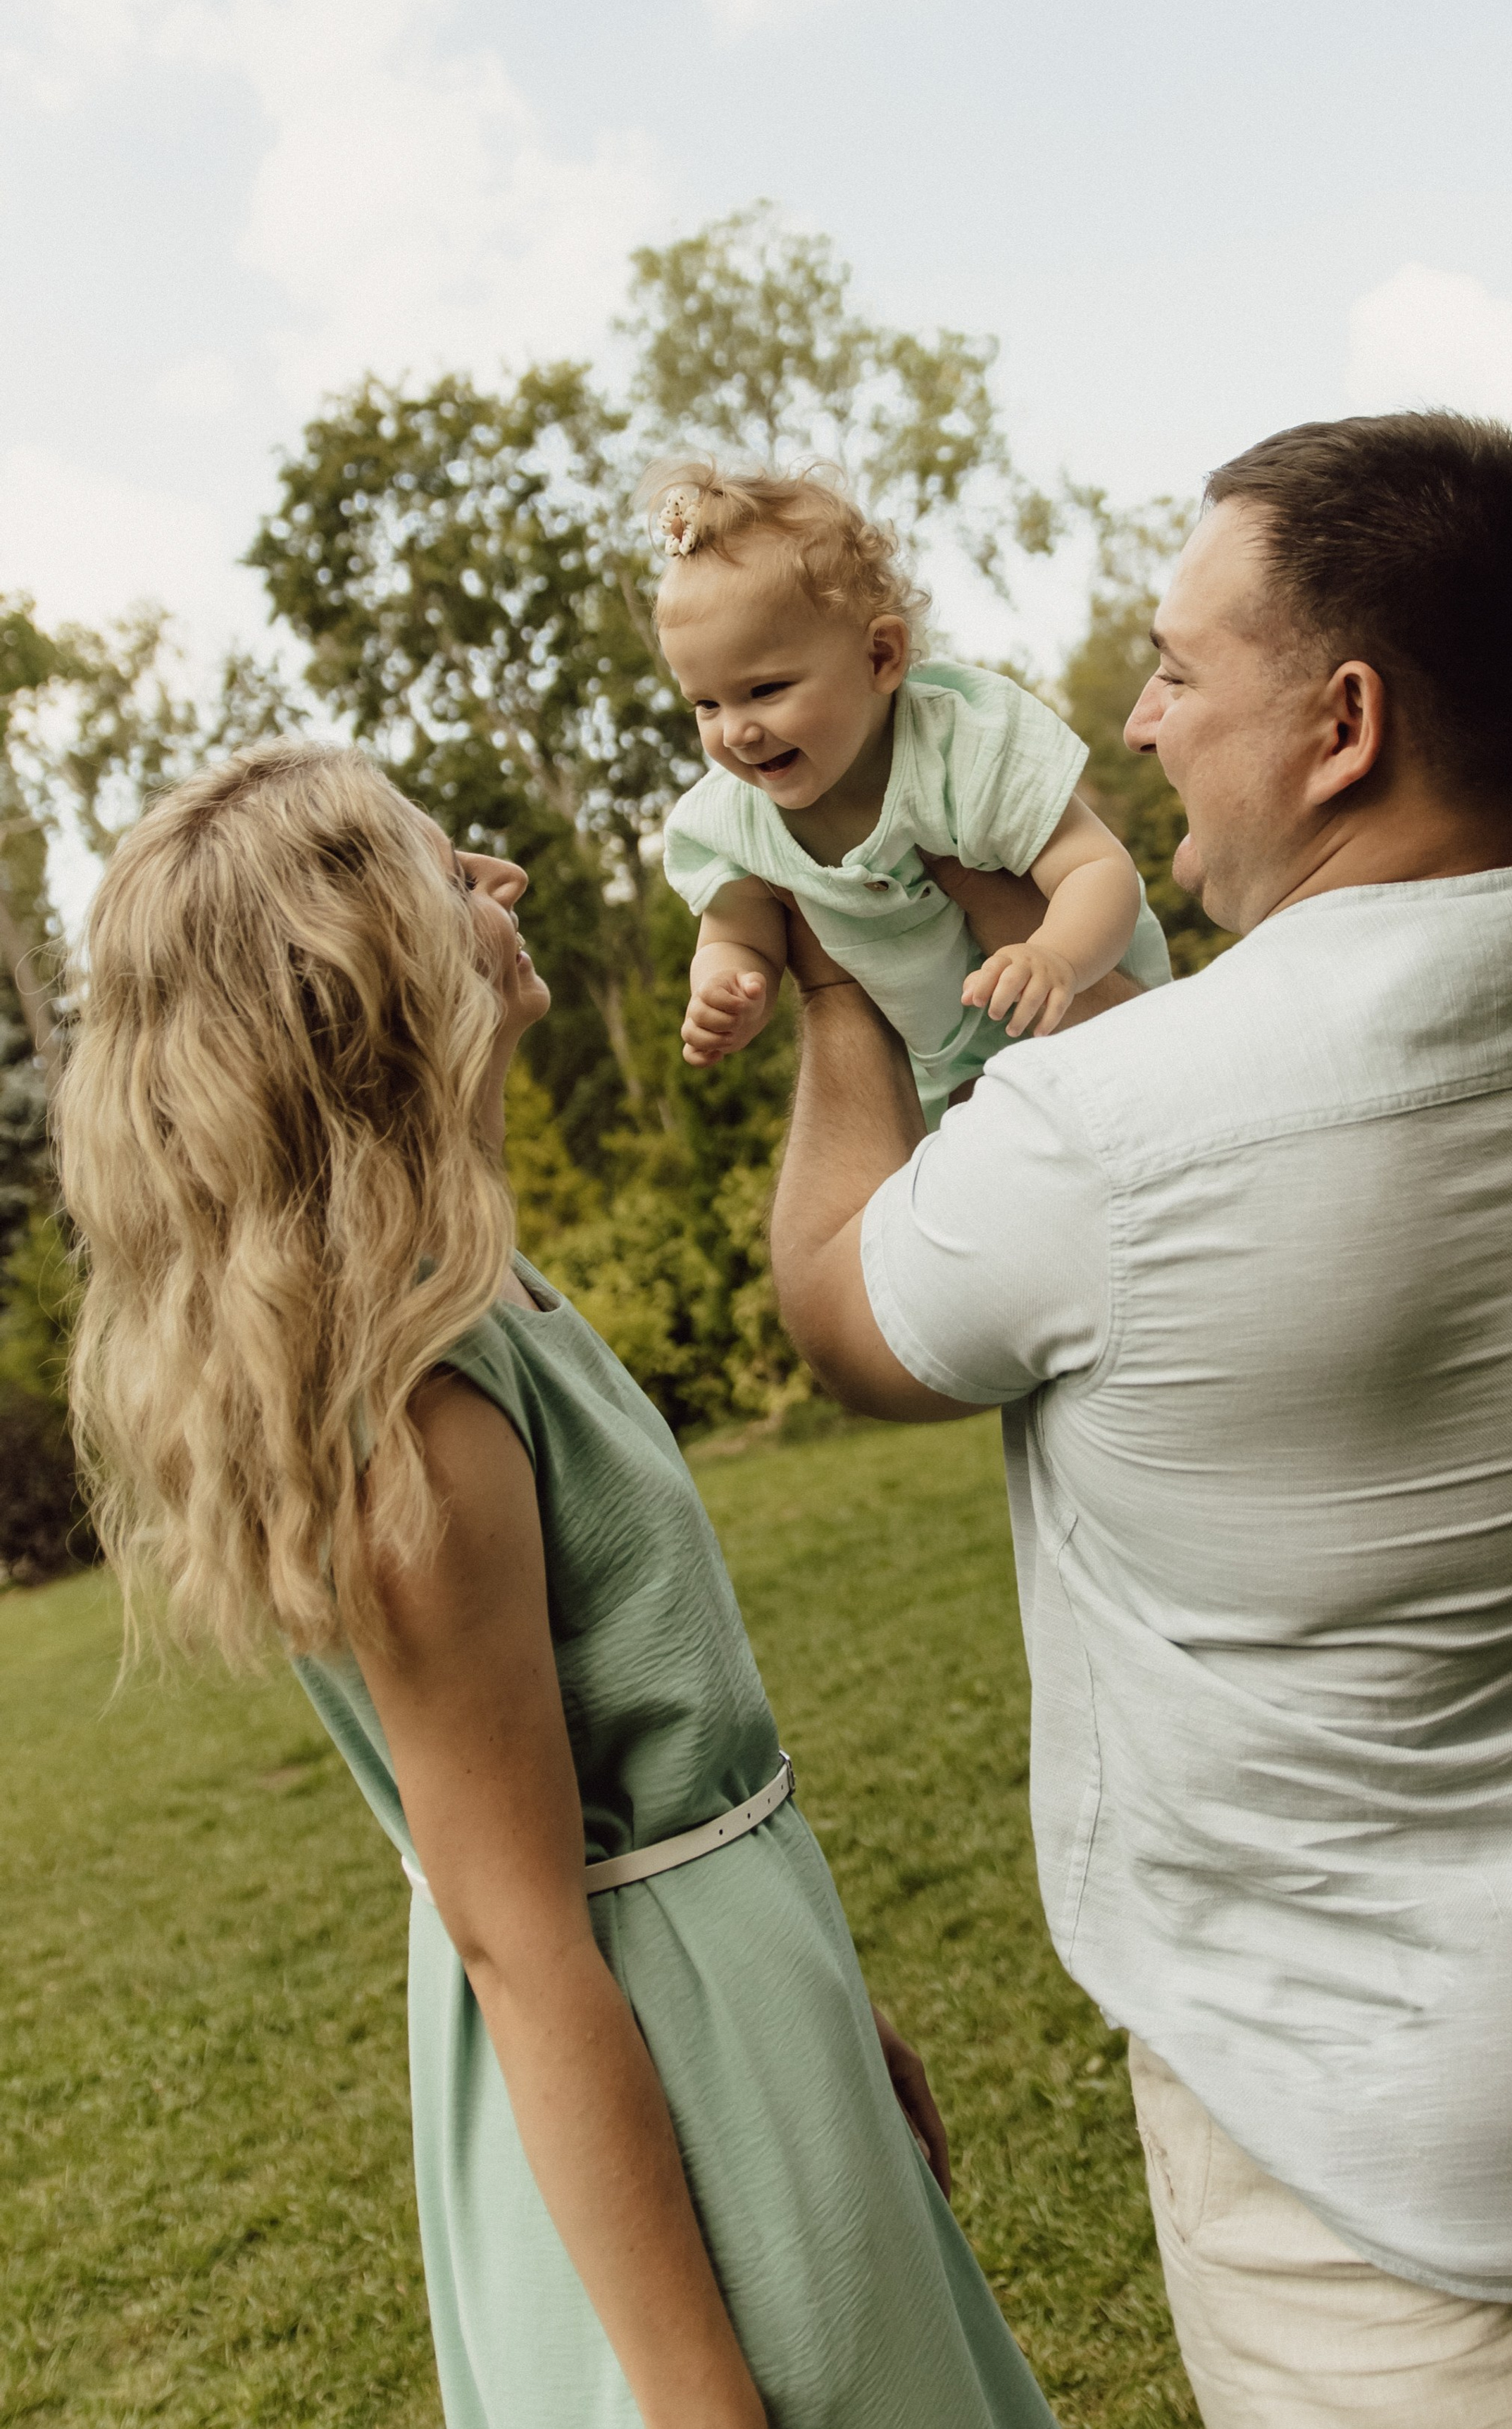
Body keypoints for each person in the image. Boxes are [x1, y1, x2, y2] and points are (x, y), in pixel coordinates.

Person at [767, 412, 1512, 2428]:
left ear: (1341, 722)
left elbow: (843, 1312)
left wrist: (830, 975)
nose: (1138, 727)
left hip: (1356, 2134)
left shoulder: (1114, 1128)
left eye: (1173, 670)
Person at [58, 744, 1059, 2429]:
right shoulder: (420, 1425)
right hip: (655, 2081)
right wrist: (696, 2396)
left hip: (733, 2013)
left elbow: (639, 1778)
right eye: (451, 875)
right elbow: (520, 1935)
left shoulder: (486, 1283)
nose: (501, 882)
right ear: (366, 980)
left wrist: (820, 1997)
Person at [649, 458, 1170, 1123]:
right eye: (706, 704)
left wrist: (1055, 954)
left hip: (1092, 1007)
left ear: (880, 658)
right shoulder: (732, 818)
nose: (738, 732)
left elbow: (1098, 869)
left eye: (766, 690)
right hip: (945, 1084)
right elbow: (738, 936)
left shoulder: (962, 747)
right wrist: (726, 986)